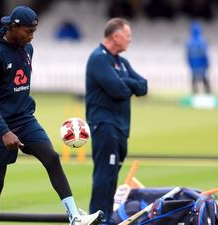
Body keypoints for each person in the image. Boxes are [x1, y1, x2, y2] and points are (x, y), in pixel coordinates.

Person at [0, 6, 104, 225]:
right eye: (28, 31)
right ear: (14, 27)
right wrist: (4, 131)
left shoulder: (28, 49)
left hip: (25, 119)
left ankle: (74, 217)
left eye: (34, 31)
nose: (32, 36)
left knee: (52, 158)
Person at [85, 18, 148, 224]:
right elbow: (118, 90)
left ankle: (105, 216)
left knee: (111, 177)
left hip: (121, 127)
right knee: (105, 175)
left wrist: (126, 83)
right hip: (104, 124)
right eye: (127, 35)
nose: (130, 39)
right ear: (115, 36)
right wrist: (128, 84)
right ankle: (99, 218)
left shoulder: (121, 62)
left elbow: (143, 86)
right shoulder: (98, 58)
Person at [186, 21, 210, 94]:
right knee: (203, 78)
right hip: (201, 64)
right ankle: (208, 92)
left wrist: (189, 63)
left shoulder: (189, 41)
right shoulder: (202, 40)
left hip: (194, 64)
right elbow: (204, 54)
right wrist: (207, 63)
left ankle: (194, 92)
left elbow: (188, 55)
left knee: (194, 78)